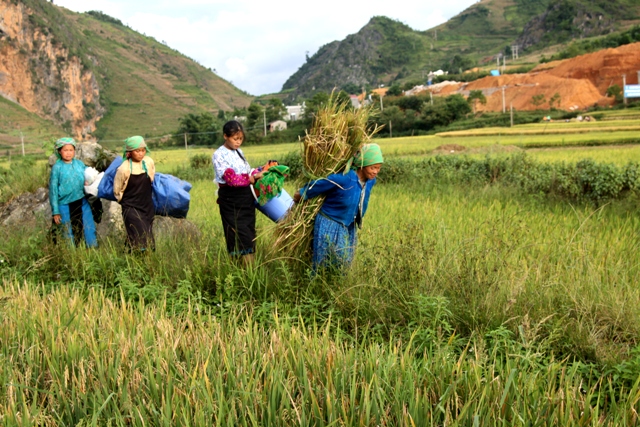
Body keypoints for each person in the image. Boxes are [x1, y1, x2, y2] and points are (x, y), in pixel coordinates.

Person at [293, 143, 384, 269]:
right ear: (362, 164)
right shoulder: (345, 178)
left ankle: (337, 287)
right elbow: (321, 184)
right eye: (373, 167)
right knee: (323, 263)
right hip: (330, 223)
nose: (375, 172)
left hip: (349, 226)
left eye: (378, 168)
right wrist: (302, 194)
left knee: (344, 265)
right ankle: (316, 285)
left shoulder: (371, 181)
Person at [212, 120, 263, 263]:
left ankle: (250, 270)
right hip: (231, 200)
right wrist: (252, 178)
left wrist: (262, 171)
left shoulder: (239, 152)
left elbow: (247, 170)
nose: (238, 142)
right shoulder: (219, 155)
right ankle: (237, 269)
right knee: (235, 233)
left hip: (245, 199)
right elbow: (231, 179)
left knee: (248, 231)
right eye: (235, 139)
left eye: (240, 139)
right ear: (225, 136)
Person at [49, 137, 98, 248]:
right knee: (67, 231)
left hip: (82, 200)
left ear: (74, 151)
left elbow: (88, 175)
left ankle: (93, 249)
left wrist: (88, 181)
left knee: (88, 226)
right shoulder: (57, 168)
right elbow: (53, 190)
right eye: (65, 150)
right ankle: (71, 254)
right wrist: (55, 211)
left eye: (71, 150)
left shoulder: (79, 164)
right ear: (59, 151)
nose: (68, 153)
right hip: (64, 204)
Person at [113, 136, 156, 252]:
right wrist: (124, 203)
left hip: (147, 205)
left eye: (143, 150)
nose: (141, 153)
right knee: (142, 235)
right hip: (130, 206)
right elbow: (117, 190)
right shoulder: (123, 169)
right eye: (137, 151)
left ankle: (128, 253)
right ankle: (140, 257)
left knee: (140, 233)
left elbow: (152, 178)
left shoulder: (148, 162)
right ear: (129, 153)